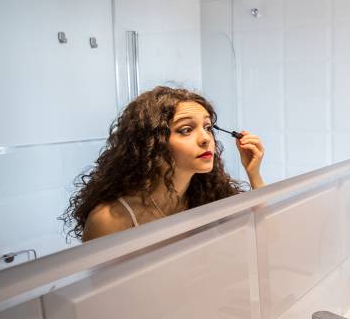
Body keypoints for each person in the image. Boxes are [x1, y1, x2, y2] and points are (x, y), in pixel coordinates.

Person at [65, 86, 265, 241]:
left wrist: (254, 174)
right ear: (151, 143)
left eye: (207, 127)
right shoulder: (110, 220)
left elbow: (265, 237)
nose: (206, 139)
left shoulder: (211, 197)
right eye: (186, 130)